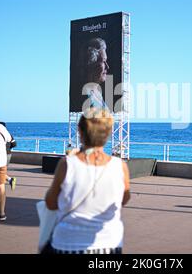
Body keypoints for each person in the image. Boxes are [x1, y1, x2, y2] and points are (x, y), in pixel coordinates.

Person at [44, 108, 131, 254]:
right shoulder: (119, 166)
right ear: (108, 133)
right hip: (109, 244)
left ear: (80, 131)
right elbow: (124, 199)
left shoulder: (67, 164)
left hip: (68, 244)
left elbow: (50, 203)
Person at [82, 38, 110, 111]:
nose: (107, 66)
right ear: (91, 63)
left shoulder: (97, 93)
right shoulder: (84, 95)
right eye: (103, 61)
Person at [0, 122, 17, 191]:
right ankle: (4, 183)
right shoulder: (9, 134)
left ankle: (9, 180)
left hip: (1, 154)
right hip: (8, 154)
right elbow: (14, 144)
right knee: (2, 170)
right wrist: (8, 148)